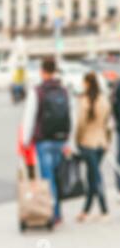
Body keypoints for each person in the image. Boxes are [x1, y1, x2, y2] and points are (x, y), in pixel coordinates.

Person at [22, 58, 72, 226]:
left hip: (43, 141)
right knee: (57, 177)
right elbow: (70, 115)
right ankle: (58, 213)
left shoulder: (37, 91)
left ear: (42, 71)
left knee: (47, 178)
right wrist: (68, 141)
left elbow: (30, 116)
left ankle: (51, 213)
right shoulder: (64, 90)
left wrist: (25, 140)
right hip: (60, 139)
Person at [75, 73, 111, 223]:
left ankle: (104, 210)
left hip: (88, 143)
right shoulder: (103, 100)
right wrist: (108, 141)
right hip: (101, 142)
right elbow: (108, 124)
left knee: (95, 177)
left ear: (87, 83)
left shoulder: (84, 101)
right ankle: (86, 210)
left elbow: (80, 124)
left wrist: (77, 140)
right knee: (92, 176)